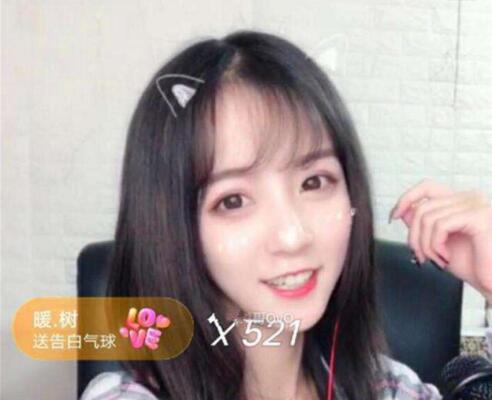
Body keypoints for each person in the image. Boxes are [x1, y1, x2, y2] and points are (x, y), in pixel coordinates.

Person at [80, 30, 492, 400]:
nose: (293, 236)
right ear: (174, 229)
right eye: (233, 201)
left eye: (314, 182)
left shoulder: (386, 388)